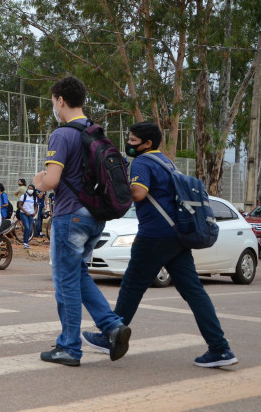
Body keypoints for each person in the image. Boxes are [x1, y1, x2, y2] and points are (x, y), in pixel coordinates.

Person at [82, 122, 238, 368]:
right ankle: (220, 348)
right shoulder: (166, 162)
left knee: (132, 287)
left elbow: (139, 194)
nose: (129, 144)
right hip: (177, 236)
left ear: (147, 144)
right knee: (194, 293)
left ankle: (108, 336)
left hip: (154, 236)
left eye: (133, 140)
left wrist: (115, 181)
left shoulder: (142, 163)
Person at [32, 75, 129, 367]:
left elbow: (51, 180)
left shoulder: (61, 134)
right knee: (78, 275)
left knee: (65, 282)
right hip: (94, 216)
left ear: (60, 100)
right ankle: (112, 327)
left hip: (70, 215)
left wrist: (38, 181)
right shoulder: (95, 132)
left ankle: (69, 347)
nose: (54, 108)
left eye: (53, 102)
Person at [17, 184, 38, 249]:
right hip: (24, 214)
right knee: (27, 227)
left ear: (34, 190)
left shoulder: (34, 197)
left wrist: (35, 212)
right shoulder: (24, 196)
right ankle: (25, 243)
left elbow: (35, 206)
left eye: (31, 189)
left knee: (29, 228)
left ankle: (26, 242)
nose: (30, 190)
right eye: (29, 188)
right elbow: (20, 205)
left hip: (31, 214)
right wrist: (26, 212)